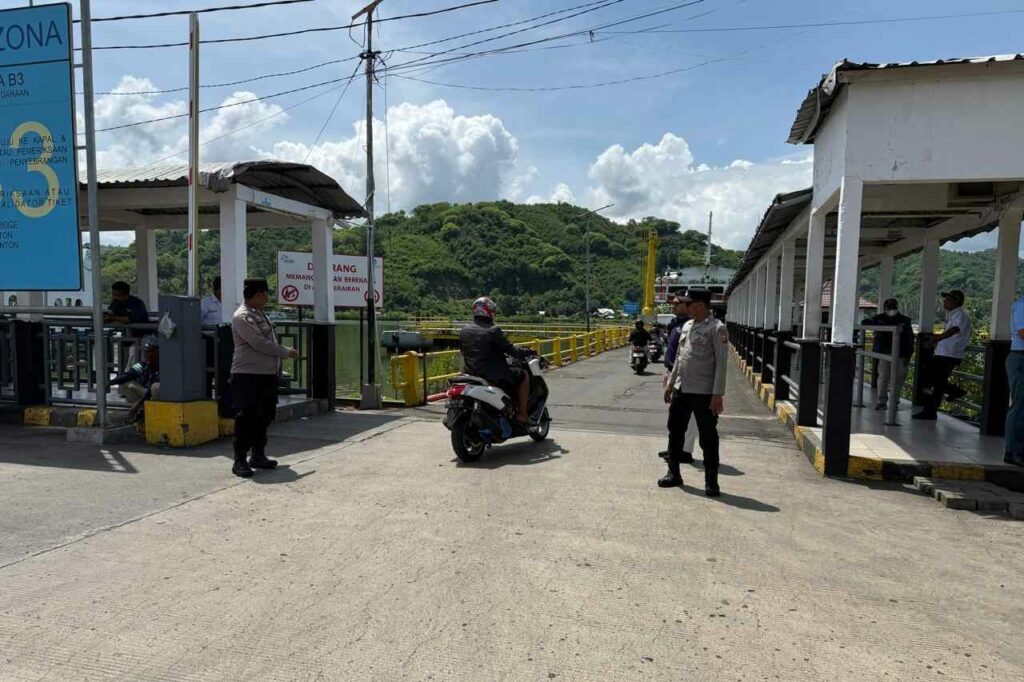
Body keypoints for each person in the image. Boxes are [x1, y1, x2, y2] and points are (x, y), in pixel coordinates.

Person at [659, 289, 728, 496]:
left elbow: (721, 364)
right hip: (682, 389)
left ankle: (711, 482)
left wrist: (717, 394)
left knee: (708, 437)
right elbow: (680, 358)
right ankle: (673, 473)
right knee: (675, 431)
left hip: (704, 392)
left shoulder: (717, 328)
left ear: (700, 305)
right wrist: (671, 384)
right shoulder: (687, 325)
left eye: (688, 303)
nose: (685, 307)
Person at [230, 278, 298, 478]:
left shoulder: (260, 314)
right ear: (258, 294)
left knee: (265, 415)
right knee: (246, 417)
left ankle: (258, 455)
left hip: (267, 375)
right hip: (247, 375)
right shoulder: (242, 317)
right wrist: (285, 352)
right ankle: (239, 460)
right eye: (266, 294)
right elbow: (259, 343)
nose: (267, 298)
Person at [459, 296, 535, 423]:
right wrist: (529, 351)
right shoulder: (493, 330)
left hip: (470, 373)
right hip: (493, 374)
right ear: (490, 312)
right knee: (523, 375)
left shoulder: (464, 330)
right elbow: (512, 351)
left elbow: (463, 351)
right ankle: (522, 414)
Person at [914, 290, 972, 420]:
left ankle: (933, 408)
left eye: (948, 299)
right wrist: (935, 341)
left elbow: (954, 330)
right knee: (935, 382)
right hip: (943, 353)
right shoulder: (953, 315)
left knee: (934, 382)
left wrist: (936, 338)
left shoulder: (960, 315)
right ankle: (946, 397)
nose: (944, 301)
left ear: (956, 301)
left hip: (950, 355)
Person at [659, 293, 698, 463]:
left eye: (676, 304)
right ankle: (673, 448)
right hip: (673, 372)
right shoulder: (675, 324)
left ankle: (685, 451)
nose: (673, 307)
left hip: (685, 374)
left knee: (687, 417)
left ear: (686, 305)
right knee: (674, 415)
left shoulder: (691, 325)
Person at [861, 298, 915, 410]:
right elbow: (866, 323)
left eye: (893, 306)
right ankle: (882, 401)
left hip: (901, 353)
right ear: (885, 308)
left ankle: (895, 401)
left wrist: (908, 355)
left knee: (899, 378)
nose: (891, 309)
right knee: (883, 376)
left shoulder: (904, 320)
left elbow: (910, 338)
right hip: (884, 353)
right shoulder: (879, 318)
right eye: (889, 307)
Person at [110, 336, 160, 422]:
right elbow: (129, 374)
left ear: (157, 353)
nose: (146, 354)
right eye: (146, 351)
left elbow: (150, 391)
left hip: (153, 397)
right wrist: (111, 382)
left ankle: (146, 411)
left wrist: (139, 402)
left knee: (155, 387)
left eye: (150, 351)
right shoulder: (143, 365)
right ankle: (139, 412)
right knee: (125, 383)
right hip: (144, 395)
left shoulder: (162, 367)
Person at [1005, 293, 1024, 467]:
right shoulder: (1022, 305)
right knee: (1019, 405)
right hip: (1020, 358)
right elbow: (1022, 332)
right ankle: (1013, 451)